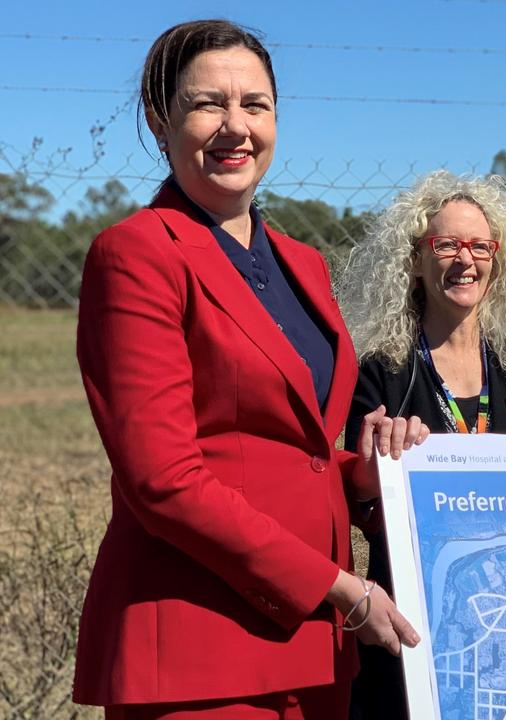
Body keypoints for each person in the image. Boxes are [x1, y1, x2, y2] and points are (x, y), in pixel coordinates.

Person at [73, 20, 426, 719]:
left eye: (255, 105)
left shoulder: (304, 263)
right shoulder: (137, 254)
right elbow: (163, 480)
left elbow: (296, 448)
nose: (235, 127)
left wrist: (376, 464)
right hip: (200, 652)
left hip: (316, 650)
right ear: (159, 118)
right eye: (208, 104)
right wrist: (341, 588)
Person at [336, 170, 506, 719]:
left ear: (497, 259)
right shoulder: (381, 372)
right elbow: (358, 502)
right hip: (420, 614)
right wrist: (372, 470)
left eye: (480, 245)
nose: (466, 259)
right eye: (447, 244)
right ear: (415, 259)